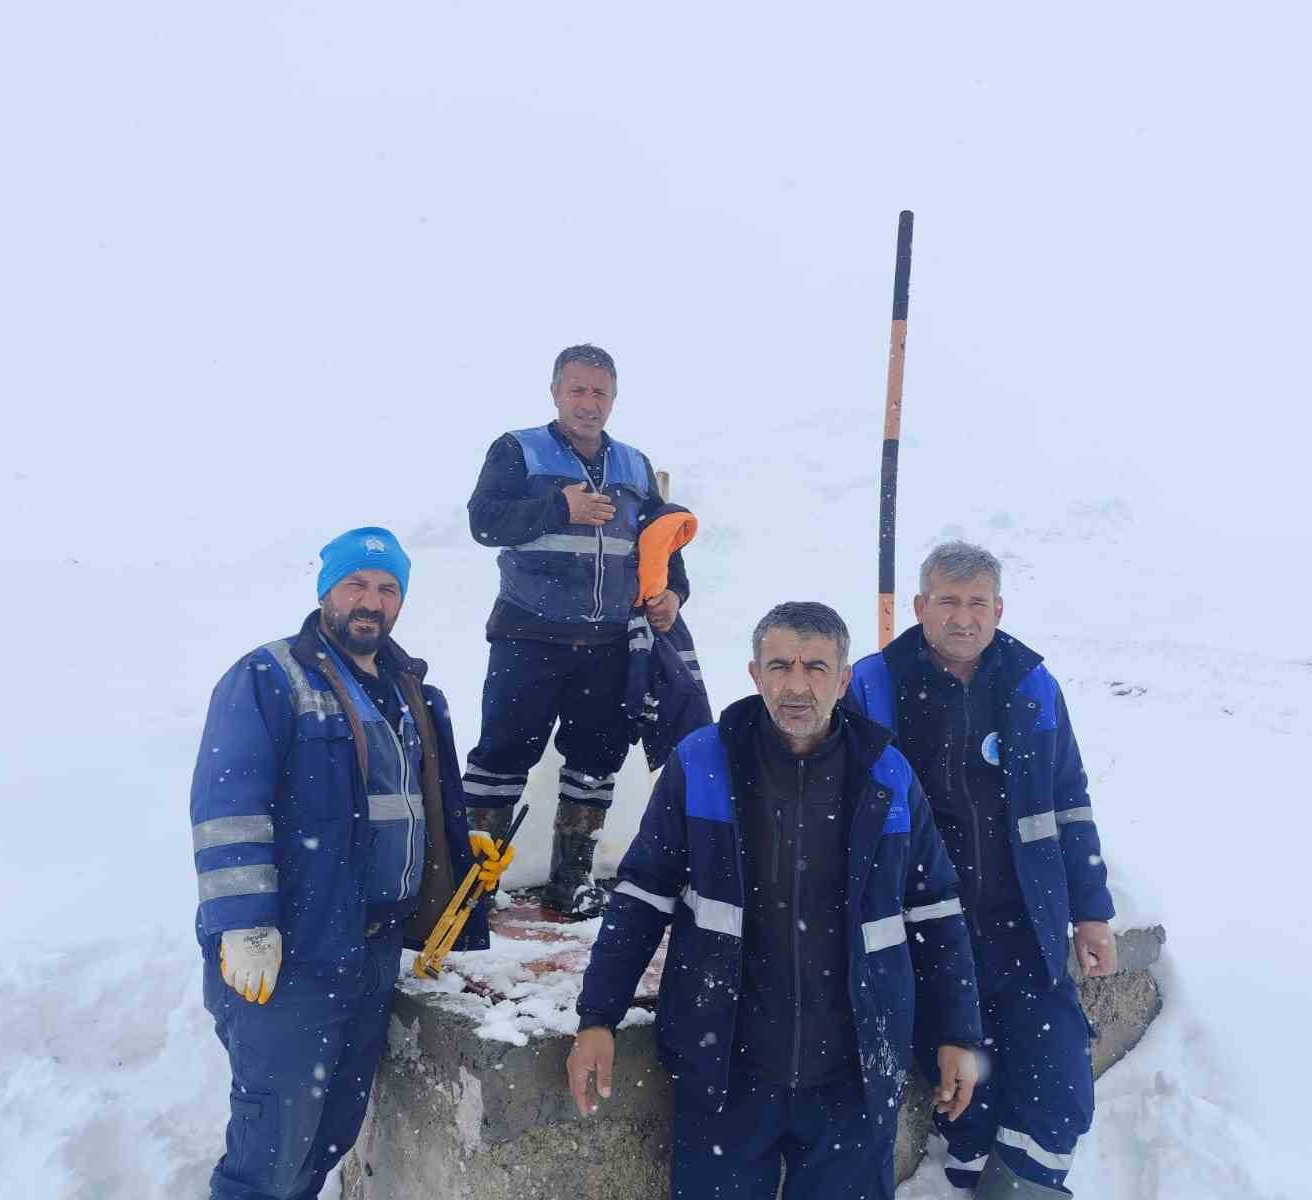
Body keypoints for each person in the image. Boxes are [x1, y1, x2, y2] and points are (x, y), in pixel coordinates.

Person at [568, 602, 982, 1200]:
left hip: (854, 1077)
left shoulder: (887, 775)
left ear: (843, 680)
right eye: (780, 665)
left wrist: (957, 1031)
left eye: (816, 667)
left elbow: (936, 909)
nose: (795, 685)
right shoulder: (702, 764)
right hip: (727, 1073)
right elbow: (640, 896)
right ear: (754, 674)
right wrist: (598, 1016)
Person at [188, 526, 511, 1200]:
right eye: (357, 585)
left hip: (371, 949)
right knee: (272, 1145)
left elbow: (423, 800)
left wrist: (456, 860)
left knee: (330, 1131)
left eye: (388, 588)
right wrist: (244, 922)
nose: (372, 600)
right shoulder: (270, 676)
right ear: (326, 590)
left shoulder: (411, 687)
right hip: (292, 953)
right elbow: (228, 807)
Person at [845, 541, 1117, 1200]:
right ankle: (979, 1180)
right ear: (920, 606)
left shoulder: (1031, 685)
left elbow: (1069, 801)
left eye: (976, 603)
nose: (961, 618)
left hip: (1025, 924)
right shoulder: (874, 685)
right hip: (929, 935)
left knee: (1059, 1085)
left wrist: (1093, 910)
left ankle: (1021, 1187)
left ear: (998, 609)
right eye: (947, 601)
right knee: (966, 1099)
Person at [463, 343, 690, 916]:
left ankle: (573, 880)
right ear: (555, 392)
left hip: (609, 645)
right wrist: (558, 508)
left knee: (597, 760)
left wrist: (672, 595)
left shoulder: (635, 467)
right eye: (577, 390)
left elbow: (663, 542)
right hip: (528, 638)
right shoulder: (520, 451)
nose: (588, 403)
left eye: (600, 392)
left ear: (614, 398)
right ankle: (472, 884)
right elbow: (484, 523)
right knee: (501, 758)